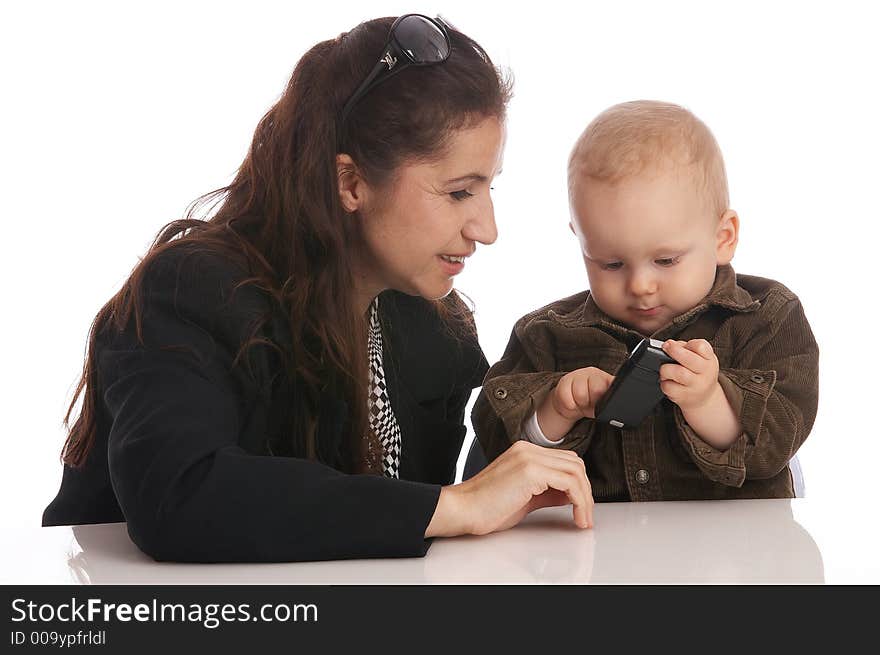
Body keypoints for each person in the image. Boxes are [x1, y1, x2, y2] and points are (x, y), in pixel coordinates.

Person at [42, 15, 594, 563]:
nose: (487, 230)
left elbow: (408, 534)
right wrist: (453, 506)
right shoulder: (191, 292)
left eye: (487, 188)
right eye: (458, 192)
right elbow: (179, 495)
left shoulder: (435, 329)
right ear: (349, 183)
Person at [472, 100, 819, 501]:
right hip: (594, 554)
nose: (640, 285)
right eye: (612, 263)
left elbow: (778, 443)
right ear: (582, 241)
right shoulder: (546, 336)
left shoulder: (767, 317)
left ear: (723, 237)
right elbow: (496, 456)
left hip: (733, 554)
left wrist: (709, 402)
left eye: (666, 260)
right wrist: (555, 412)